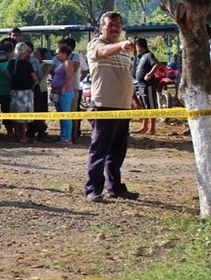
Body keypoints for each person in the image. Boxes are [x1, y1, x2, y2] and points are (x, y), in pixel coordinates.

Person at [85, 11, 139, 202]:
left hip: (123, 107)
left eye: (118, 25)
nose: (115, 28)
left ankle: (115, 188)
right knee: (99, 149)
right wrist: (121, 45)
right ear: (102, 28)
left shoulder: (125, 52)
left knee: (118, 152)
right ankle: (93, 189)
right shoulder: (96, 44)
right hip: (104, 105)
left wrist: (135, 102)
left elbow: (128, 78)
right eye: (111, 25)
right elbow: (103, 52)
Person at [6, 42, 37, 143]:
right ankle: (23, 136)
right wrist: (33, 84)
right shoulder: (27, 64)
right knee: (23, 116)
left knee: (15, 114)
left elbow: (6, 73)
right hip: (25, 92)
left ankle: (15, 135)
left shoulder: (11, 63)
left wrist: (13, 79)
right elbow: (35, 78)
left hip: (14, 91)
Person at [50, 44, 79, 146]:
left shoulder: (68, 63)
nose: (56, 55)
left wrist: (63, 87)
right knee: (62, 115)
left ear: (64, 53)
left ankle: (67, 138)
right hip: (58, 92)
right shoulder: (60, 63)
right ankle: (63, 136)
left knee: (66, 115)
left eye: (58, 53)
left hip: (65, 92)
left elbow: (69, 76)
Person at [133, 37, 159, 135]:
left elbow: (157, 64)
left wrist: (149, 74)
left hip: (148, 85)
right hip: (141, 85)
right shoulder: (142, 56)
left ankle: (152, 128)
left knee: (151, 106)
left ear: (139, 46)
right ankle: (144, 126)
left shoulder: (149, 55)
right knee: (144, 106)